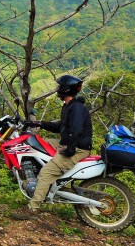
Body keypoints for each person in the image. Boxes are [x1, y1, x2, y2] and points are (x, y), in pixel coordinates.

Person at [12, 74, 92, 219]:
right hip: (68, 142)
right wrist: (38, 123)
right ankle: (35, 173)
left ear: (66, 90)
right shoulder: (69, 106)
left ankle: (33, 208)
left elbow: (76, 131)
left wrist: (70, 150)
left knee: (45, 174)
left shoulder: (77, 108)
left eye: (60, 87)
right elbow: (61, 127)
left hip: (77, 148)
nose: (58, 89)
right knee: (36, 143)